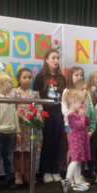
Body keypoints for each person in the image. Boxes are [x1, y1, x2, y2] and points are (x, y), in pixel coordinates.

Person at [33, 49, 66, 183]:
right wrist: (39, 113)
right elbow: (36, 95)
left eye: (57, 58)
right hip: (46, 112)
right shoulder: (41, 77)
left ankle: (55, 170)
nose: (56, 61)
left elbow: (65, 95)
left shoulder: (61, 78)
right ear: (46, 60)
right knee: (47, 141)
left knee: (56, 142)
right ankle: (46, 171)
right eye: (53, 58)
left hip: (59, 113)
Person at [10, 68, 43, 185]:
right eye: (24, 77)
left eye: (29, 77)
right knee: (18, 151)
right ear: (19, 79)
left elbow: (39, 108)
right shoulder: (14, 92)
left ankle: (28, 174)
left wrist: (37, 117)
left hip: (30, 127)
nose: (27, 80)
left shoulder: (35, 94)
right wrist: (18, 115)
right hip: (19, 126)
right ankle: (17, 174)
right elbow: (10, 107)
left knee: (30, 151)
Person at [0, 73, 20, 190]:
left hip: (10, 133)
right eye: (9, 83)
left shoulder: (10, 100)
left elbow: (14, 117)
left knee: (8, 158)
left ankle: (11, 180)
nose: (11, 85)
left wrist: (17, 131)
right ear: (1, 84)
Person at [61, 67, 92, 171]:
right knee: (72, 149)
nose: (79, 77)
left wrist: (84, 116)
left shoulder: (85, 91)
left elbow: (89, 106)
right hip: (71, 124)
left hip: (83, 124)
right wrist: (76, 116)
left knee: (82, 150)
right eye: (76, 75)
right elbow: (64, 109)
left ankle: (79, 175)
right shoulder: (67, 91)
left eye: (81, 75)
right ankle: (70, 176)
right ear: (71, 77)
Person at [61, 90, 91, 193]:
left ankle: (78, 182)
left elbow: (88, 123)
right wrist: (82, 116)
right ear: (74, 101)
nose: (83, 105)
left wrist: (85, 115)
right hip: (76, 141)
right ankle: (67, 181)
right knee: (75, 160)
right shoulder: (71, 115)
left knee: (79, 161)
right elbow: (80, 126)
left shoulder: (79, 113)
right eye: (81, 103)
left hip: (82, 141)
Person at [74, 81, 96, 185]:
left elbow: (92, 121)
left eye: (86, 89)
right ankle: (73, 177)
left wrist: (91, 131)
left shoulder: (89, 108)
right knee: (75, 157)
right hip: (76, 137)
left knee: (82, 157)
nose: (85, 91)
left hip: (86, 137)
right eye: (82, 89)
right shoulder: (74, 108)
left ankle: (80, 176)